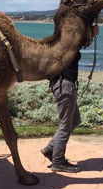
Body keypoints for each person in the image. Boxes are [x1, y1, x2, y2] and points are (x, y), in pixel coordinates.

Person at [41, 25, 99, 172]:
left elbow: (81, 42)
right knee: (65, 125)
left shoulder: (59, 47)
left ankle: (50, 149)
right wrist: (91, 33)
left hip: (63, 85)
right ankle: (58, 161)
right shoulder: (65, 48)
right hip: (65, 85)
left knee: (75, 120)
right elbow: (80, 42)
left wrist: (91, 34)